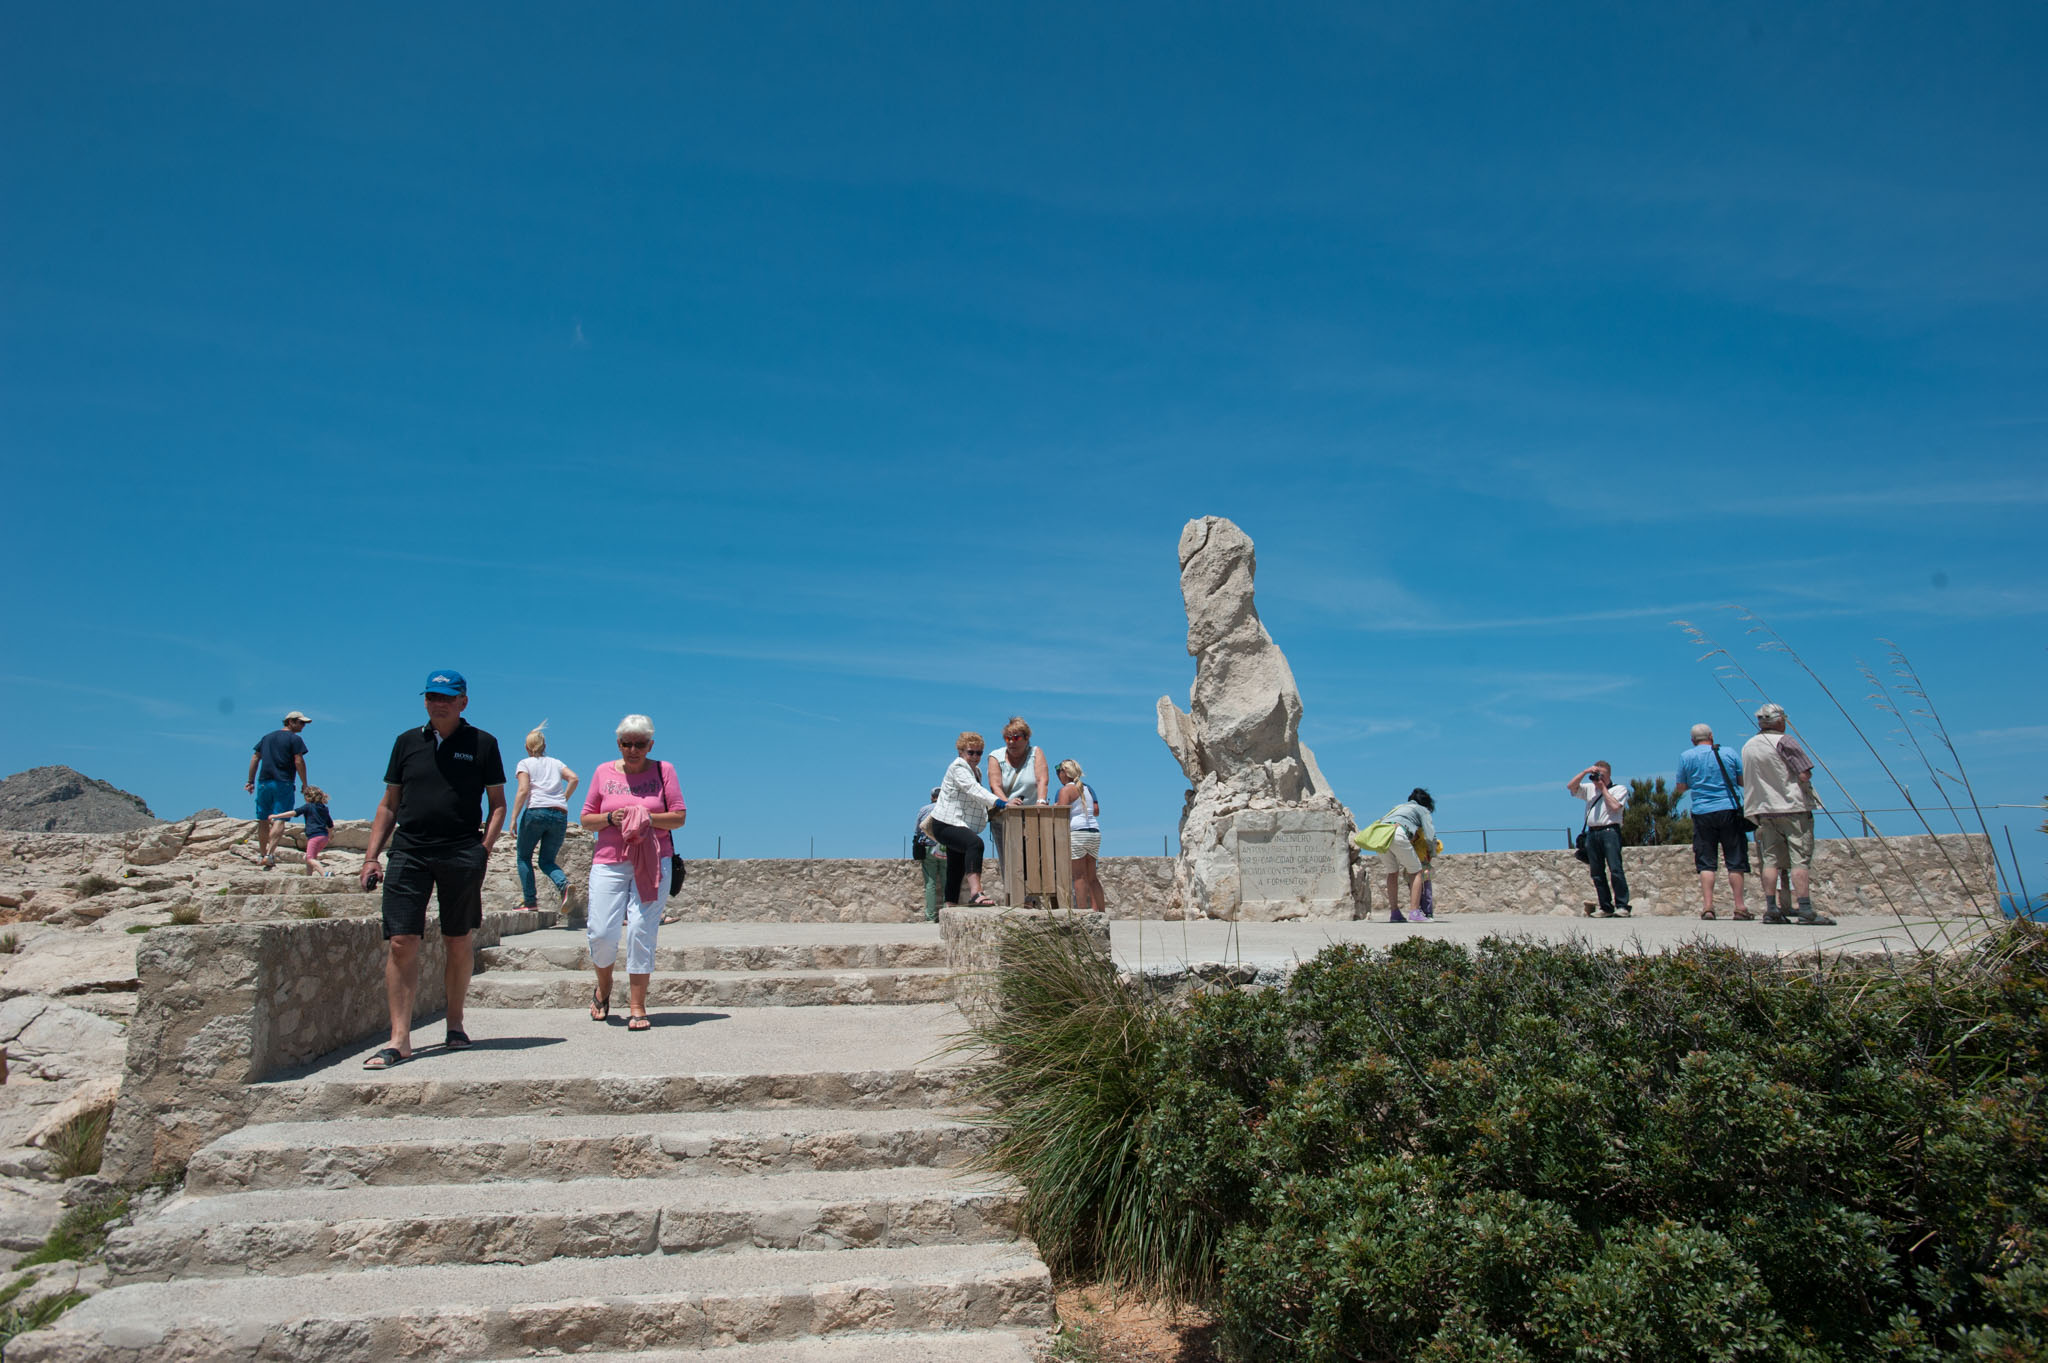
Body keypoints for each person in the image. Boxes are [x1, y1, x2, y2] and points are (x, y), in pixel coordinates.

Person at [359, 671, 505, 1068]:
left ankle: (454, 1024)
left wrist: (484, 850)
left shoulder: (483, 744)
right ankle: (399, 1039)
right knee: (401, 941)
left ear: (463, 701)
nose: (438, 703)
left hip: (461, 852)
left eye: (447, 696)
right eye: (432, 696)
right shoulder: (407, 742)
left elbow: (497, 804)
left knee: (457, 940)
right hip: (409, 851)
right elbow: (389, 802)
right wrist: (372, 855)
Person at [579, 715, 685, 1032]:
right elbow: (586, 819)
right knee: (601, 932)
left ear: (650, 745)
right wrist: (612, 818)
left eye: (640, 744)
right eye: (627, 743)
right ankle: (604, 986)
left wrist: (644, 818)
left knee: (641, 928)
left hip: (654, 858)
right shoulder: (602, 772)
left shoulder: (663, 770)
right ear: (619, 744)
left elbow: (678, 817)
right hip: (609, 859)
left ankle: (638, 1004)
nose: (633, 749)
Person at [1742, 703, 1836, 926]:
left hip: (1764, 809)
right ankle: (1805, 909)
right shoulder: (1785, 741)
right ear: (1780, 720)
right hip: (1791, 807)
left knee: (1770, 860)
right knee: (1799, 859)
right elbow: (1804, 773)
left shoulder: (1748, 746)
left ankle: (1771, 909)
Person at [1675, 722, 1750, 920]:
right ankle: (1740, 907)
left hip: (1702, 812)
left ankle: (1708, 906)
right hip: (1729, 809)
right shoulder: (1728, 753)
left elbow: (1681, 787)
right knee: (1735, 860)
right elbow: (1742, 781)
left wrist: (1697, 782)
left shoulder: (1687, 756)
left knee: (1706, 862)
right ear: (1711, 736)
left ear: (1692, 740)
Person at [930, 732, 1007, 907]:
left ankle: (950, 905)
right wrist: (1000, 802)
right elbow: (973, 790)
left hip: (959, 823)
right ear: (961, 752)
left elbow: (975, 799)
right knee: (975, 844)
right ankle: (976, 893)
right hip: (945, 823)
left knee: (956, 865)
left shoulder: (976, 771)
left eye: (979, 753)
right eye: (971, 752)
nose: (975, 757)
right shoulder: (958, 767)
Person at [512, 722, 580, 912]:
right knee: (547, 860)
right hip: (559, 814)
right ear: (544, 746)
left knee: (524, 856)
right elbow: (574, 778)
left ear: (527, 747)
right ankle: (564, 885)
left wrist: (514, 818)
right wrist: (563, 799)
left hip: (536, 812)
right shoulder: (556, 763)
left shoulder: (525, 763)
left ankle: (530, 901)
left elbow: (524, 789)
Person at [245, 711, 312, 869]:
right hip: (284, 782)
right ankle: (269, 854)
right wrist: (305, 783)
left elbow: (255, 757)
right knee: (280, 817)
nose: (303, 726)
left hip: (263, 782)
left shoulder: (267, 737)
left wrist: (250, 780)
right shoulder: (295, 739)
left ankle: (262, 854)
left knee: (263, 818)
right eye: (301, 723)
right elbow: (299, 760)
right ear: (290, 722)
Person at [1566, 761, 1631, 917]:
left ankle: (1622, 905)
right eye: (1595, 774)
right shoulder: (1590, 789)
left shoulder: (1619, 789)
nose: (1597, 777)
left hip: (1610, 831)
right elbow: (1570, 787)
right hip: (1592, 833)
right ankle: (1605, 907)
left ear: (1608, 774)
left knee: (1615, 868)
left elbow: (1615, 807)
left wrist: (1603, 789)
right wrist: (1584, 772)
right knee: (1596, 872)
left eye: (1601, 774)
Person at [986, 717, 1049, 867]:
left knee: (1034, 862)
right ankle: (1011, 891)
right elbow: (995, 786)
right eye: (1007, 738)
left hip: (1032, 817)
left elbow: (1042, 780)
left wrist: (1041, 801)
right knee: (1009, 864)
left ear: (1026, 738)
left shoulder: (1036, 753)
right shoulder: (996, 756)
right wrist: (1007, 803)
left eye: (1016, 737)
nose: (1011, 742)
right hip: (1005, 817)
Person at [1377, 789, 1437, 923]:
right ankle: (1414, 912)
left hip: (1381, 835)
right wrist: (1432, 853)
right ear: (1426, 803)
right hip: (1398, 833)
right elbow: (1430, 835)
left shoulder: (1397, 807)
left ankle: (1395, 913)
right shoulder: (1422, 809)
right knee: (1416, 871)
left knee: (1392, 872)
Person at [1054, 759, 1106, 913]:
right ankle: (1101, 913)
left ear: (1065, 773)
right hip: (1094, 833)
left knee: (1078, 876)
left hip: (1077, 833)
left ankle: (1082, 914)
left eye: (1059, 772)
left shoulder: (1065, 790)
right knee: (1092, 877)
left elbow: (1061, 816)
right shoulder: (1087, 789)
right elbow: (1094, 810)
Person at [267, 785, 335, 876]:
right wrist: (329, 836)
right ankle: (308, 877)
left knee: (309, 858)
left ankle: (325, 874)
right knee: (311, 857)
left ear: (307, 797)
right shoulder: (324, 809)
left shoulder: (308, 807)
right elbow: (330, 825)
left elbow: (293, 813)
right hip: (324, 837)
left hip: (314, 837)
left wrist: (276, 816)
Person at [913, 786, 944, 923]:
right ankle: (946, 914)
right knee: (947, 882)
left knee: (930, 883)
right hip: (945, 848)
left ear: (932, 797)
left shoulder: (924, 809)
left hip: (928, 848)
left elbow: (917, 831)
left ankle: (930, 916)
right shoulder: (948, 808)